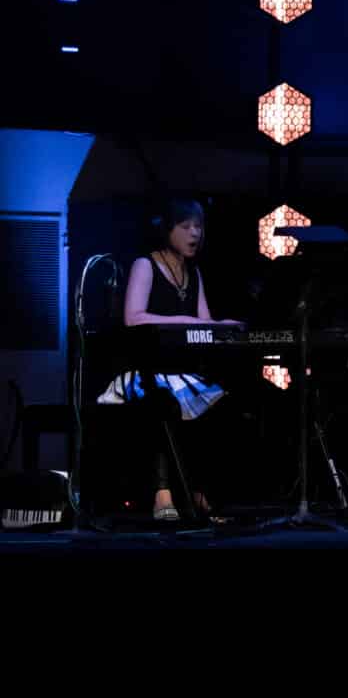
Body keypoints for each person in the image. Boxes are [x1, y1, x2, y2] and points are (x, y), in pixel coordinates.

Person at [102, 198, 244, 520]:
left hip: (183, 373)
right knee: (161, 403)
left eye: (199, 226)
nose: (195, 233)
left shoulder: (194, 272)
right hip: (145, 371)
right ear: (167, 229)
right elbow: (133, 318)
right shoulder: (145, 265)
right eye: (186, 226)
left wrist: (223, 326)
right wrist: (187, 321)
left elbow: (204, 324)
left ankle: (197, 491)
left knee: (224, 404)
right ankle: (161, 494)